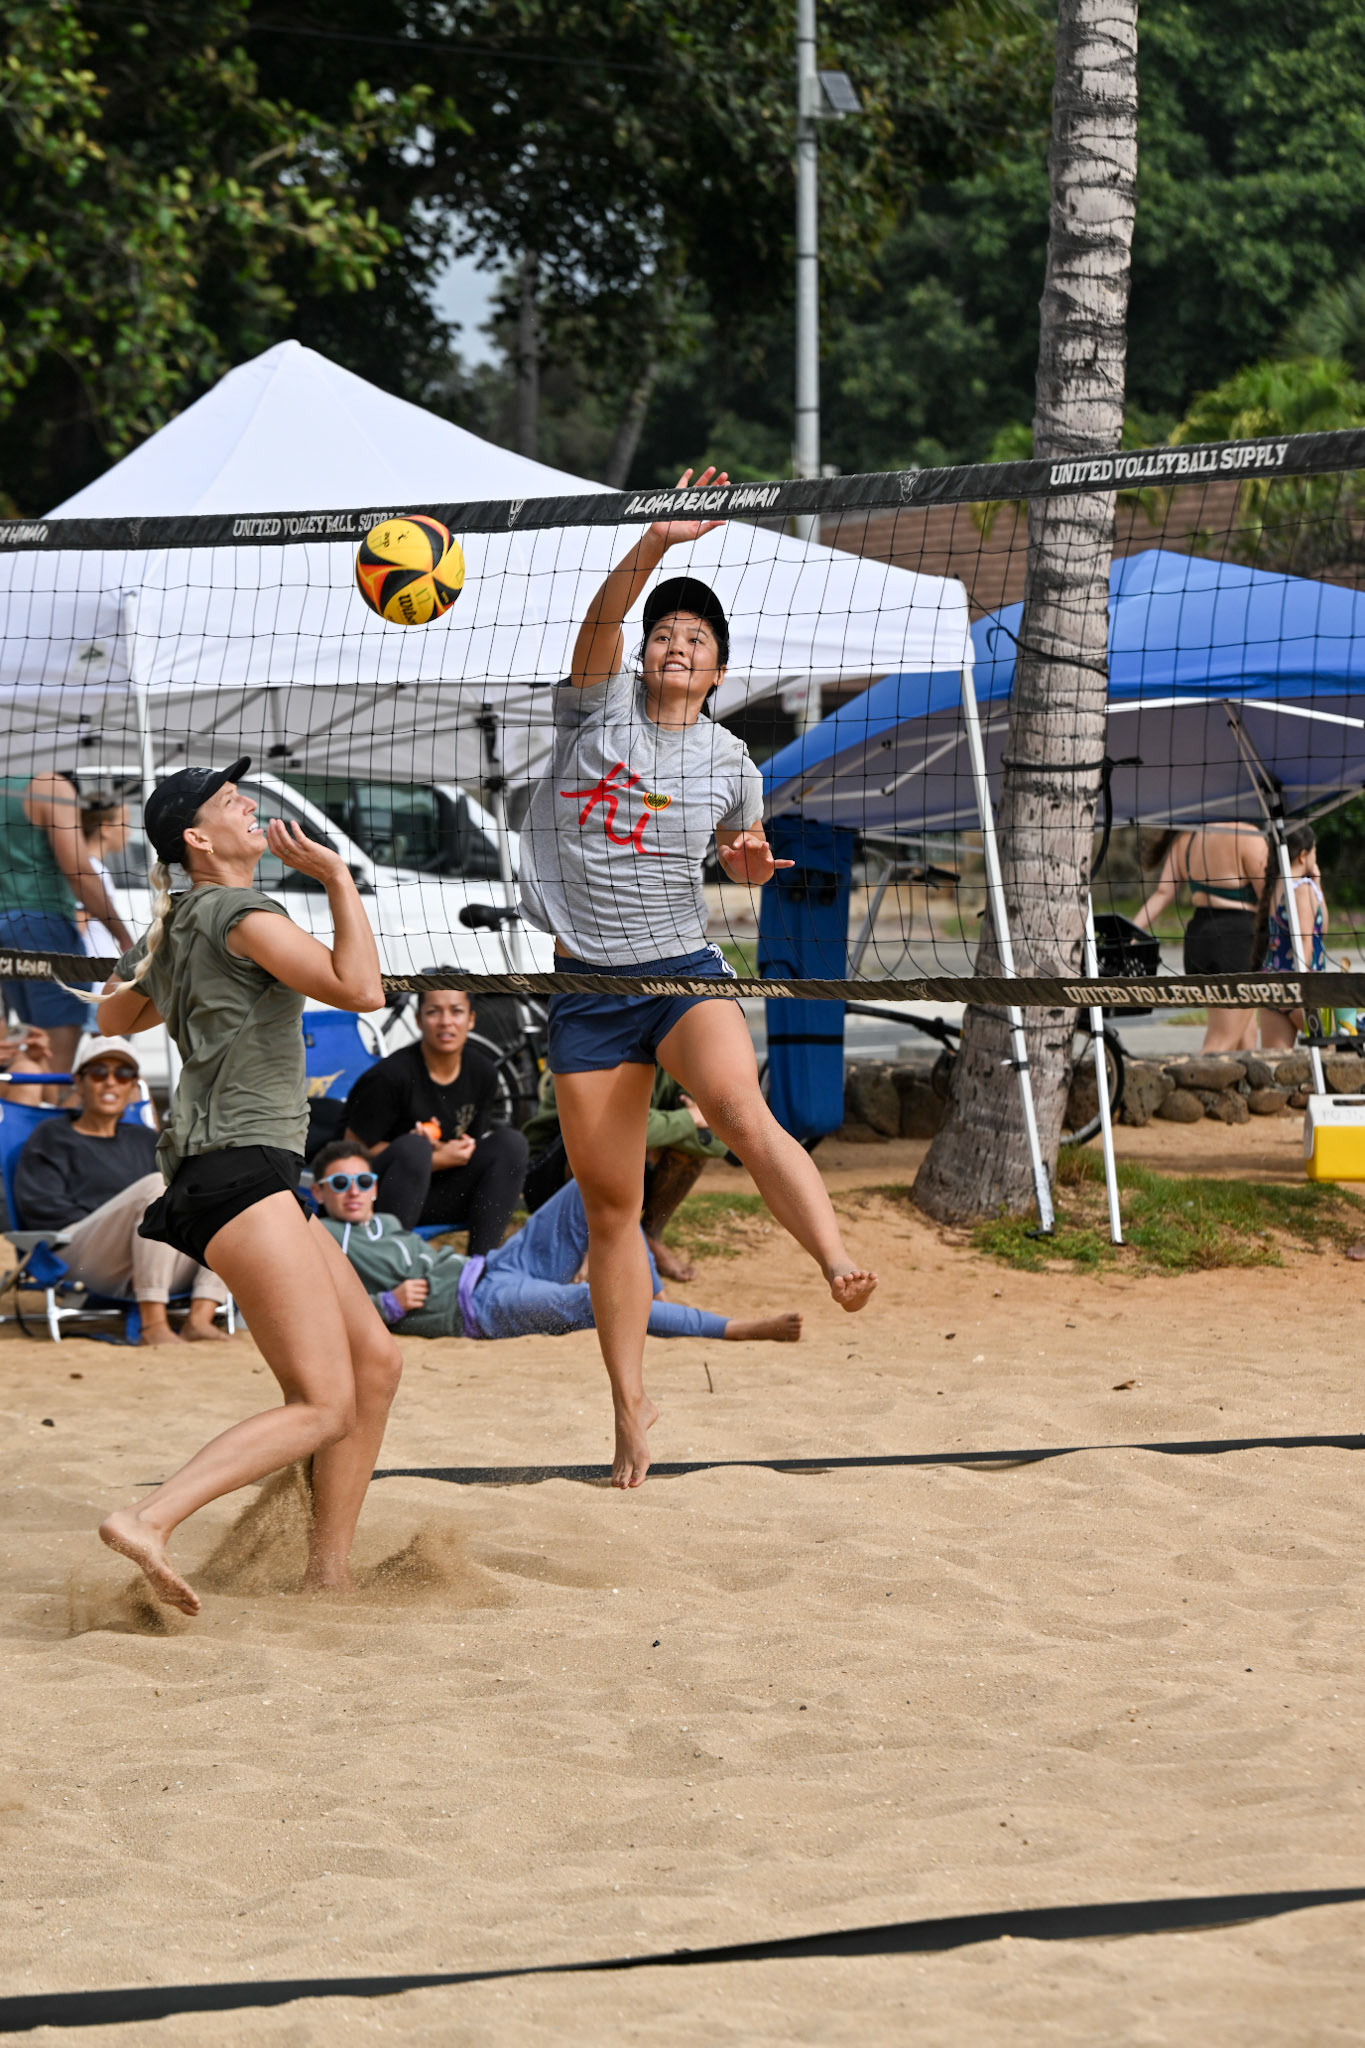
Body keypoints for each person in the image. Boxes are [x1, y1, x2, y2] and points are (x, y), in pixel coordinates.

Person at [517, 463, 876, 1489]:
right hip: (586, 987)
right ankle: (630, 1409)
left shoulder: (729, 760)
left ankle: (835, 1256)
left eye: (698, 639)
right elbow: (599, 621)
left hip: (680, 966)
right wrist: (657, 545)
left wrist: (751, 862)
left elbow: (742, 849)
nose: (678, 645)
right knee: (613, 1211)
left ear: (717, 670)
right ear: (644, 656)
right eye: (665, 635)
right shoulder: (594, 714)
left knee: (736, 1107)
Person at [93, 756, 402, 1616]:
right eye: (234, 802)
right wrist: (337, 877)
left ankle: (327, 1573)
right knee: (322, 1402)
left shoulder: (188, 918)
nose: (252, 806)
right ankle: (149, 1518)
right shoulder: (239, 910)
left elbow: (110, 1014)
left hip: (233, 1166)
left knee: (374, 1363)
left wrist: (160, 956)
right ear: (198, 837)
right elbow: (364, 990)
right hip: (239, 1168)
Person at [312, 1141, 801, 1347]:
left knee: (598, 1189)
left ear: (375, 1186)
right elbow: (315, 1310)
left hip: (494, 1265)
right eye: (338, 1185)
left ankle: (654, 1298)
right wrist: (388, 1305)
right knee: (600, 1301)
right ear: (318, 1194)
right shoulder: (324, 1238)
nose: (352, 1192)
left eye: (361, 1181)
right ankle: (735, 1329)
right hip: (476, 1307)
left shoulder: (388, 1223)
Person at [12, 1035, 229, 1345]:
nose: (110, 1082)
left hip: (150, 1259)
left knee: (226, 1196)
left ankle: (200, 1317)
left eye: (123, 1074)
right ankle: (153, 1326)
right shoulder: (51, 1137)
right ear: (79, 1082)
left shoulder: (144, 1140)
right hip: (79, 1255)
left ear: (132, 1088)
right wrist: (125, 1227)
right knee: (155, 1188)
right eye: (99, 1072)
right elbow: (42, 1208)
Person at [341, 987, 528, 1248]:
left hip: (442, 1196)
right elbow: (351, 1151)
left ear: (471, 1019)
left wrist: (443, 1150)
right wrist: (433, 1157)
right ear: (418, 1020)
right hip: (384, 1197)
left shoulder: (483, 1072)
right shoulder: (390, 1077)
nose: (446, 1022)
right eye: (433, 1012)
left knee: (511, 1143)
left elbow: (467, 1142)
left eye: (457, 1011)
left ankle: (480, 1270)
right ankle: (393, 1264)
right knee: (413, 1148)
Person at [522, 1065, 728, 1281]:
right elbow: (611, 1131)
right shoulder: (601, 1051)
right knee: (601, 1141)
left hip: (622, 1171)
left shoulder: (670, 1060)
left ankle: (650, 1237)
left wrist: (657, 1132)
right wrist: (687, 1120)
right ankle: (593, 1244)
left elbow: (720, 1141)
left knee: (680, 1151)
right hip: (547, 1179)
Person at [0, 770, 136, 1078]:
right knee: (52, 1057)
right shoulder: (48, 784)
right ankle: (44, 1120)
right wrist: (125, 938)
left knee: (30, 1047)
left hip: (6, 929)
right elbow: (77, 869)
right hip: (42, 927)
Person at [1133, 823, 1269, 1052]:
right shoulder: (1248, 835)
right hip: (1235, 940)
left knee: (1246, 1037)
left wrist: (1131, 931)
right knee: (1221, 1041)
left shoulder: (1186, 837)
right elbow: (1269, 899)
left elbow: (1163, 893)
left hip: (1199, 939)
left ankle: (1240, 1087)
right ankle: (1197, 1081)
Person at [1256, 825, 1326, 1052]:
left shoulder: (1277, 884)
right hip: (1302, 985)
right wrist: (1300, 987)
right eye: (1314, 851)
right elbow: (1307, 939)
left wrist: (1318, 885)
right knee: (1330, 1058)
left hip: (1273, 985)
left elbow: (1320, 927)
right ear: (1303, 855)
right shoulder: (1302, 888)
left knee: (1276, 1064)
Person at [76, 791, 133, 974]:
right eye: (124, 822)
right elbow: (77, 929)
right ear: (105, 828)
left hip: (94, 980)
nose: (129, 831)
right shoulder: (90, 870)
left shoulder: (93, 868)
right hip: (87, 985)